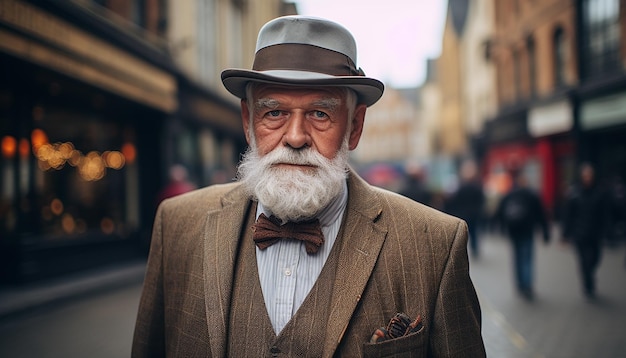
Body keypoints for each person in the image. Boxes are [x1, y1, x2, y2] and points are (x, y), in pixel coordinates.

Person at [132, 15, 485, 357]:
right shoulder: (177, 225)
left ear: (355, 126)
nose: (296, 137)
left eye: (320, 114)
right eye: (274, 113)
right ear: (247, 121)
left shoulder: (434, 244)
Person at [494, 169, 550, 300]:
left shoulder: (509, 194)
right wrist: (545, 231)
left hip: (513, 231)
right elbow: (541, 214)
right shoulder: (532, 195)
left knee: (517, 257)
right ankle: (527, 285)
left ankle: (520, 283)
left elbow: (500, 212)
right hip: (527, 230)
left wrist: (501, 228)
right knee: (527, 257)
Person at [562, 163, 610, 299]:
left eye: (590, 175)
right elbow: (568, 216)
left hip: (595, 234)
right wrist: (565, 234)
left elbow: (605, 214)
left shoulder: (599, 193)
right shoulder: (574, 194)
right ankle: (588, 285)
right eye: (585, 175)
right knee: (584, 262)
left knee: (595, 259)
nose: (587, 178)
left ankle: (590, 275)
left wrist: (607, 230)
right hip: (580, 234)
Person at [445, 160, 485, 258]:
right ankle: (475, 249)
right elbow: (481, 200)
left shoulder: (461, 187)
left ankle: (465, 250)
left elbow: (456, 201)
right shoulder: (477, 187)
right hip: (474, 214)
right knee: (474, 233)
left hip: (465, 214)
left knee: (465, 233)